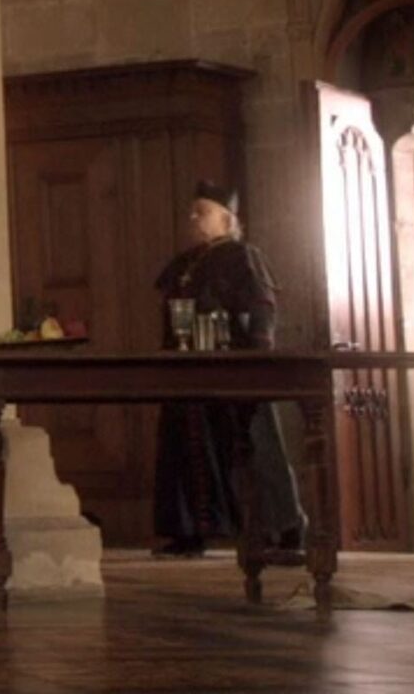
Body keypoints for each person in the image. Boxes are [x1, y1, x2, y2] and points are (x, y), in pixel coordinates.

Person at [151, 180, 305, 557]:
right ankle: (190, 532)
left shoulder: (243, 256)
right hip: (188, 367)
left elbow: (261, 308)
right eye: (192, 213)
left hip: (236, 365)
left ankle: (283, 529)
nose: (193, 219)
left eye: (202, 212)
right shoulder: (185, 263)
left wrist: (256, 358)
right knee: (185, 443)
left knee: (256, 444)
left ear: (226, 219)